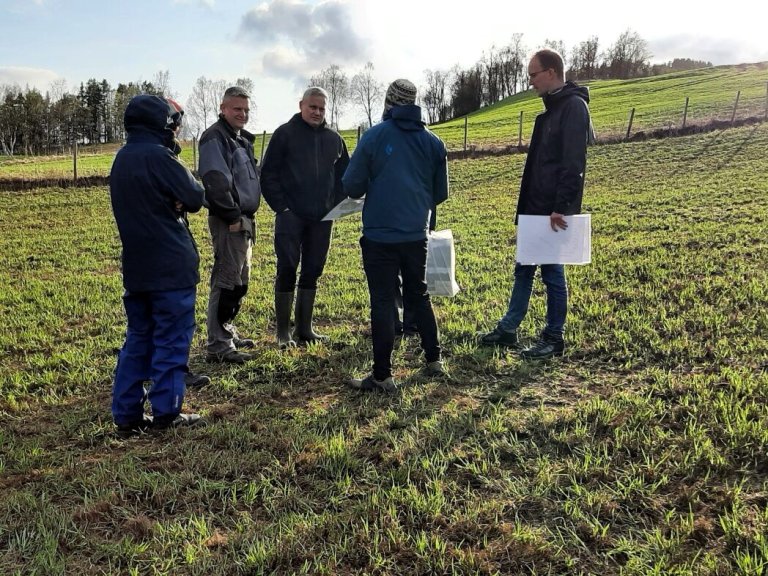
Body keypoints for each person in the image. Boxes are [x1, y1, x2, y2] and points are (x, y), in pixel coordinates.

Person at [480, 49, 592, 359]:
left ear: (553, 72)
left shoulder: (573, 107)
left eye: (534, 74)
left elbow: (573, 162)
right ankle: (509, 328)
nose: (530, 82)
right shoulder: (552, 110)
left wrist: (562, 205)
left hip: (551, 210)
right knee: (524, 268)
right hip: (534, 208)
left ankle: (554, 337)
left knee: (552, 272)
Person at [109, 94, 207, 437]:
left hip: (137, 268)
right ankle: (167, 413)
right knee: (171, 341)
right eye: (175, 125)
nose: (178, 132)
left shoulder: (122, 159)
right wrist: (181, 192)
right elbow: (196, 196)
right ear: (165, 124)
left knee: (138, 340)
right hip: (171, 268)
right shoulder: (161, 156)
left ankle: (126, 415)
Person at [343, 79, 448, 392]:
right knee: (420, 295)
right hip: (417, 235)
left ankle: (382, 375)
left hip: (380, 236)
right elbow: (439, 193)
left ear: (388, 102)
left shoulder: (375, 137)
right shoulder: (434, 142)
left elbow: (352, 186)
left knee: (383, 302)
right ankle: (434, 360)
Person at [260, 86, 350, 348]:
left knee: (313, 270)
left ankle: (305, 328)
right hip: (291, 216)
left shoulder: (335, 139)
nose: (317, 112)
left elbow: (345, 175)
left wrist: (334, 205)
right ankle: (283, 333)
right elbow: (268, 174)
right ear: (301, 105)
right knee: (287, 267)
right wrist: (282, 208)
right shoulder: (284, 134)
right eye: (313, 107)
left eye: (322, 108)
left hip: (322, 219)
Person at [199, 86, 262, 363]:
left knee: (239, 282)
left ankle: (227, 332)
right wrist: (233, 217)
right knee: (226, 282)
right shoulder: (215, 137)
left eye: (246, 109)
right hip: (230, 222)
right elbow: (215, 181)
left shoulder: (239, 139)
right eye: (237, 109)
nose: (243, 114)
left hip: (244, 220)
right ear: (223, 108)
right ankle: (218, 345)